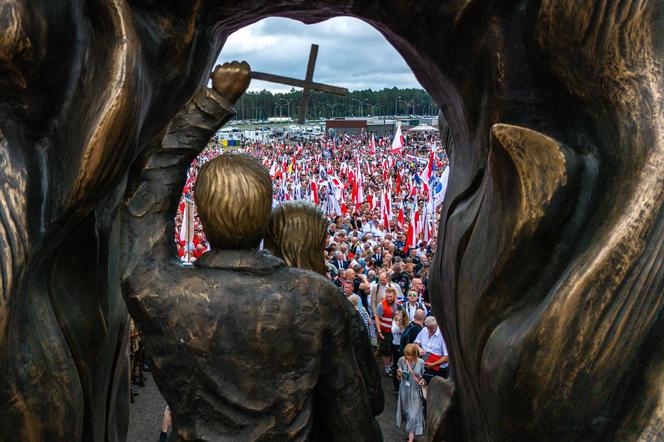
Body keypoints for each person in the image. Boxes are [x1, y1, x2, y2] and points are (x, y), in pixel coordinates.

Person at [121, 62, 382, 441]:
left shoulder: (165, 293)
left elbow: (145, 201)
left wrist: (214, 103)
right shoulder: (317, 299)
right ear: (266, 218)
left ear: (205, 218)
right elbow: (353, 421)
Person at [396, 344, 426, 442]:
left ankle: (411, 438)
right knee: (407, 413)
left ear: (415, 354)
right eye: (406, 355)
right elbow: (398, 378)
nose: (408, 357)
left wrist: (422, 381)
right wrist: (399, 374)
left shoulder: (421, 362)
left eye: (410, 355)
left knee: (413, 415)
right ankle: (411, 434)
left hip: (415, 390)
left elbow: (422, 377)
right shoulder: (401, 360)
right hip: (404, 389)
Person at [375, 287, 398, 375]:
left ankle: (392, 365)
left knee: (393, 349)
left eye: (390, 297)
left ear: (394, 296)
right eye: (387, 296)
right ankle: (387, 368)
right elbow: (377, 317)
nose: (388, 298)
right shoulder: (381, 305)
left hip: (395, 332)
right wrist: (379, 331)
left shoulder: (397, 304)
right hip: (385, 331)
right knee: (385, 351)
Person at [391, 309, 411, 396]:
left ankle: (406, 386)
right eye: (396, 314)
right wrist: (399, 324)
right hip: (396, 346)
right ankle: (397, 388)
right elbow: (394, 331)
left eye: (399, 314)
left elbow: (405, 333)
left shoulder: (408, 324)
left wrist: (403, 325)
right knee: (396, 367)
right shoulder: (394, 323)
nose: (397, 316)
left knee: (406, 367)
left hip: (405, 347)